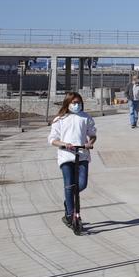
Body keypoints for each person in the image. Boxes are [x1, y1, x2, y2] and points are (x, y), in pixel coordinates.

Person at [48, 92, 97, 230]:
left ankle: (68, 202)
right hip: (66, 156)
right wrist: (64, 144)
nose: (76, 105)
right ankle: (70, 214)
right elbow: (52, 139)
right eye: (74, 102)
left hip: (81, 155)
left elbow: (92, 134)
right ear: (68, 103)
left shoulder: (85, 117)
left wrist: (89, 143)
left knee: (82, 184)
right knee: (69, 186)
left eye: (78, 102)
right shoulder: (60, 119)